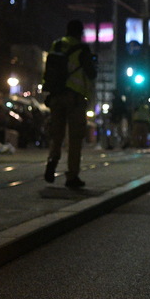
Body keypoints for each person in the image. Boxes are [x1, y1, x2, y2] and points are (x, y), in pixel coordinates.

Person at [43, 19, 96, 188]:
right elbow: (91, 73)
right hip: (74, 98)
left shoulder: (56, 45)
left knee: (56, 134)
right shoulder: (83, 49)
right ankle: (72, 176)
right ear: (80, 33)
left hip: (56, 96)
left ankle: (52, 160)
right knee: (75, 138)